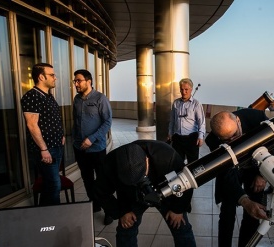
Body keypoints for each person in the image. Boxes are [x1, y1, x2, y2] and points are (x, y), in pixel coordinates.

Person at [94, 140, 196, 247]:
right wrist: (122, 212)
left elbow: (186, 180)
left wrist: (178, 209)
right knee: (125, 230)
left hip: (165, 191)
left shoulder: (166, 155)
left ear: (147, 161)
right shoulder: (110, 164)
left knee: (181, 227)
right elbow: (101, 193)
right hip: (131, 198)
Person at [205, 109, 274, 247]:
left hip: (256, 170)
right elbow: (226, 174)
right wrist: (244, 200)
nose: (233, 142)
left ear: (238, 121)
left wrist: (262, 176)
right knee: (227, 212)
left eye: (235, 135)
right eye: (227, 140)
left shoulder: (257, 119)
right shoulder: (214, 140)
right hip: (231, 170)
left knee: (253, 215)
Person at [72, 69, 113, 225]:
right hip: (80, 148)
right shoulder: (76, 99)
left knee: (102, 180)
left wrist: (91, 138)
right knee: (87, 179)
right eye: (74, 81)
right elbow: (75, 122)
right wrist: (75, 141)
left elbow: (107, 122)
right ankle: (95, 204)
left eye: (79, 81)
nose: (76, 84)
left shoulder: (100, 99)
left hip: (97, 148)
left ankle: (109, 210)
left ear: (88, 81)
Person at [21, 63, 65, 206]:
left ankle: (43, 216)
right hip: (46, 149)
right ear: (41, 76)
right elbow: (32, 125)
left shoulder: (48, 96)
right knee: (54, 185)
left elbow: (51, 119)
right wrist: (44, 149)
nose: (55, 78)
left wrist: (61, 135)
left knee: (50, 185)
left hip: (56, 146)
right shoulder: (32, 96)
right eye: (52, 75)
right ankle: (52, 219)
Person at [167, 78, 205, 163]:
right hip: (177, 138)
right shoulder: (176, 103)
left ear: (191, 89)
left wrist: (200, 136)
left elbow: (201, 122)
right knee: (177, 162)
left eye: (186, 89)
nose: (184, 92)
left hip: (191, 138)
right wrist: (170, 133)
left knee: (193, 163)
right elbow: (172, 120)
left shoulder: (196, 104)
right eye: (182, 89)